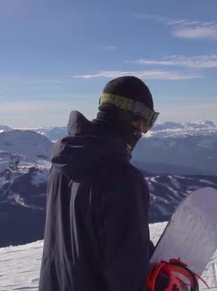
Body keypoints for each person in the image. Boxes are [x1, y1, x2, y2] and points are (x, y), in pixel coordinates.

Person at [39, 76, 159, 291]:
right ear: (134, 118)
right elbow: (129, 280)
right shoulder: (122, 178)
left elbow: (86, 237)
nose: (142, 131)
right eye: (145, 123)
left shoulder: (62, 164)